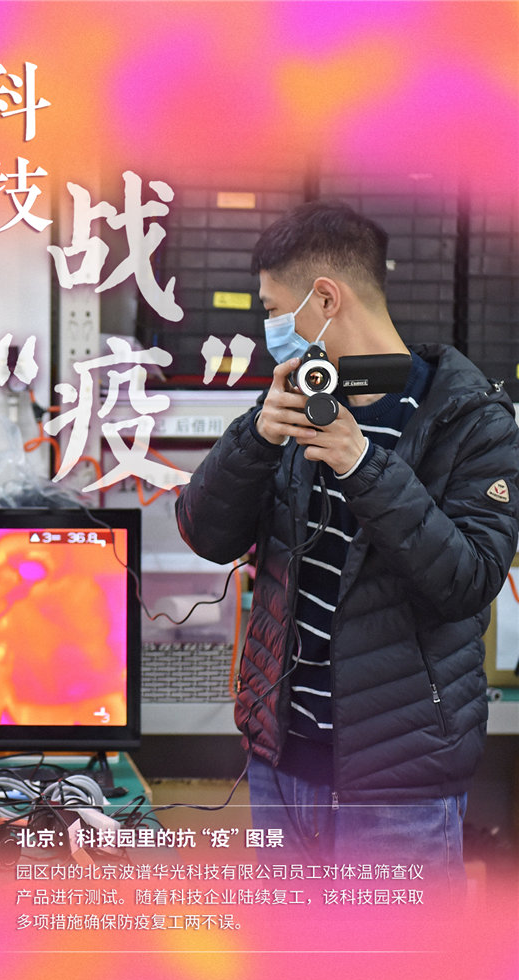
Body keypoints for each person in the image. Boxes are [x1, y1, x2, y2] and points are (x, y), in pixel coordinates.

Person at [175, 201, 519, 896]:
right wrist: (255, 438)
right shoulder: (298, 403)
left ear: (326, 299)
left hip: (400, 787)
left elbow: (468, 581)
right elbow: (205, 534)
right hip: (281, 767)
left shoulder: (472, 422)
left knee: (395, 967)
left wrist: (364, 465)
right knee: (289, 962)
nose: (271, 329)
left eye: (276, 310)